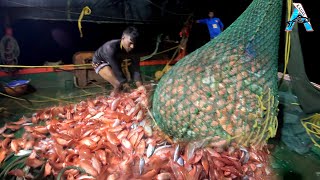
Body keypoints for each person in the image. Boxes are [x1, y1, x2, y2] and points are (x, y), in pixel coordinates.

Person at [92, 26, 143, 96]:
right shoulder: (111, 48)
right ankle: (110, 103)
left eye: (134, 43)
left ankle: (119, 101)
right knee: (118, 84)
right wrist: (125, 84)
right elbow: (117, 69)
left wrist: (140, 86)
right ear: (123, 38)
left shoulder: (135, 49)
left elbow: (136, 68)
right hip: (99, 62)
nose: (132, 46)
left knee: (125, 85)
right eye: (130, 43)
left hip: (115, 62)